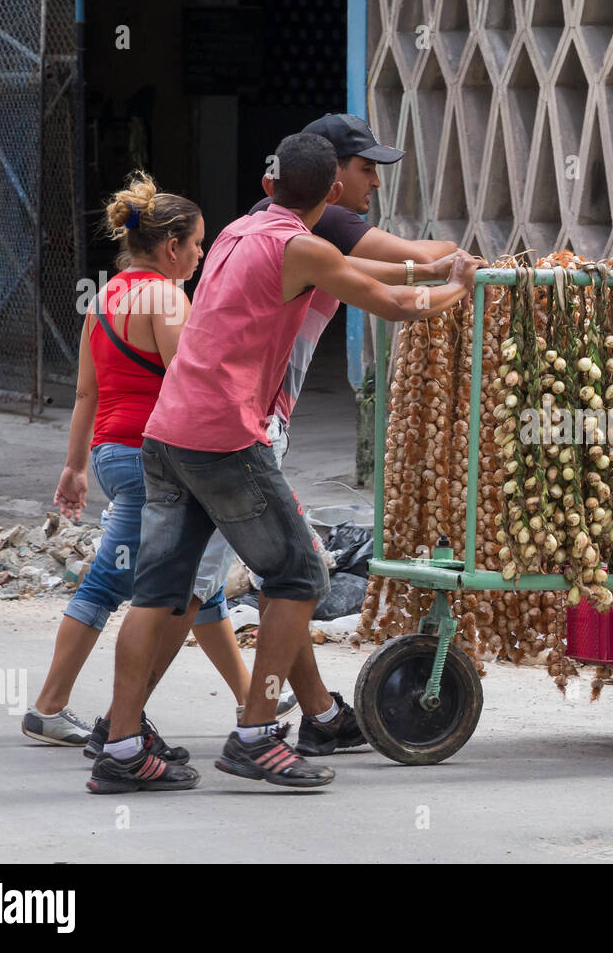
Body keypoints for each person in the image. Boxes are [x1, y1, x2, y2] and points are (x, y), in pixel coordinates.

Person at [86, 132, 479, 793]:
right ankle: (258, 733)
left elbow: (363, 278)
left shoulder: (242, 232)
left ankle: (121, 745)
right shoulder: (303, 248)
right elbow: (388, 303)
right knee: (298, 574)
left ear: (269, 187)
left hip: (166, 432)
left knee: (159, 594)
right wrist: (458, 289)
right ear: (330, 192)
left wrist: (431, 276)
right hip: (223, 437)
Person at [189, 112, 460, 757]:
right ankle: (144, 733)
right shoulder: (322, 224)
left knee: (282, 578)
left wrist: (437, 272)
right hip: (245, 425)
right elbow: (404, 275)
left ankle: (318, 712)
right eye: (367, 170)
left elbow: (395, 277)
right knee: (222, 584)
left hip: (223, 420)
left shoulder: (259, 221)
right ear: (331, 177)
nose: (374, 185)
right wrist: (462, 273)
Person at [22, 173, 292, 755]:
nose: (200, 255)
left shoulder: (105, 296)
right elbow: (186, 383)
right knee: (115, 582)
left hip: (111, 453)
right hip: (156, 461)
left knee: (199, 585)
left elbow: (85, 395)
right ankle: (50, 707)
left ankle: (253, 697)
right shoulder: (168, 298)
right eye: (196, 244)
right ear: (171, 247)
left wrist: (75, 467)